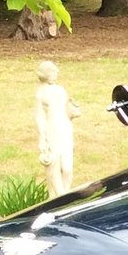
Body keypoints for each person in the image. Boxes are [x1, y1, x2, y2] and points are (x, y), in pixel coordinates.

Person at [34, 60, 81, 196]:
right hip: (52, 130)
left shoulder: (60, 90)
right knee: (53, 165)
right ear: (46, 75)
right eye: (53, 72)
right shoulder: (40, 94)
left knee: (67, 169)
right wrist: (42, 137)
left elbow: (67, 107)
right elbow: (39, 116)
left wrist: (73, 111)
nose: (57, 73)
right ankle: (59, 196)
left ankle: (65, 193)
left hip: (65, 127)